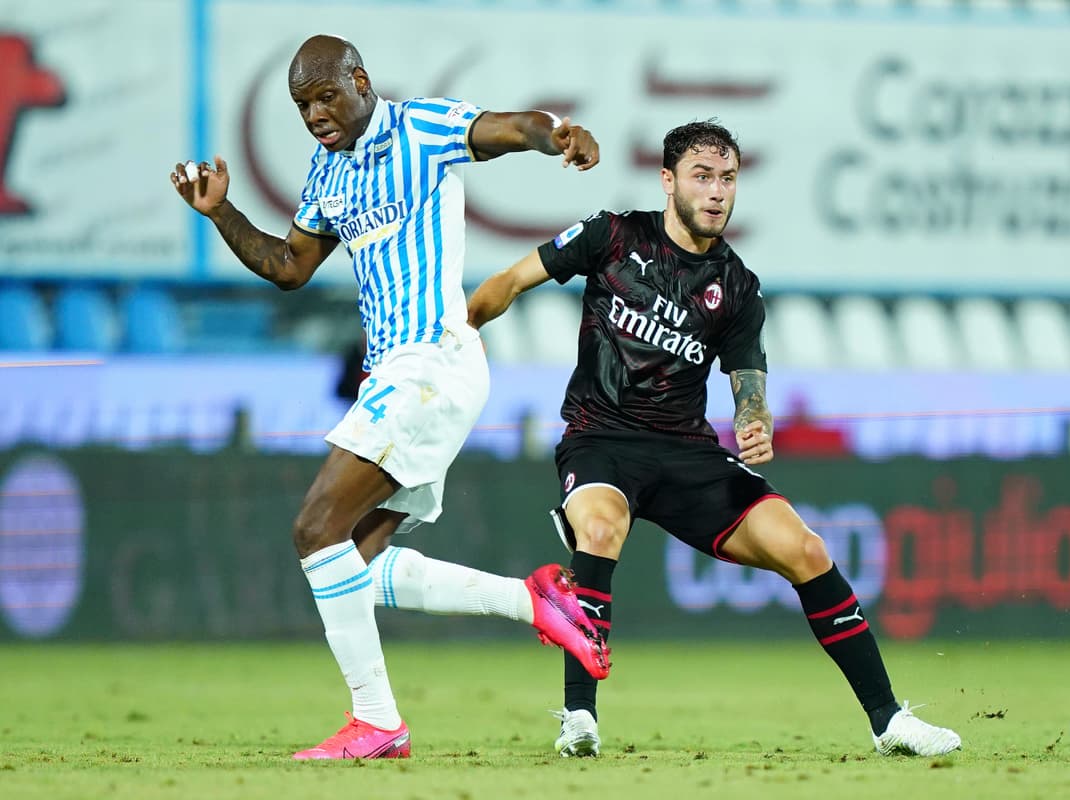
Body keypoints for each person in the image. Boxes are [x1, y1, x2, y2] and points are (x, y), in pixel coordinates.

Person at [169, 34, 609, 760]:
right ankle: (535, 601)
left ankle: (377, 721)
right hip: (401, 374)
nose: (315, 115)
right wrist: (222, 213)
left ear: (360, 80)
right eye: (302, 106)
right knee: (355, 565)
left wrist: (555, 132)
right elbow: (288, 267)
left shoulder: (420, 128)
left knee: (314, 529)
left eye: (325, 96)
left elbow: (504, 128)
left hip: (431, 360)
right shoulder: (328, 173)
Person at [467, 120, 961, 759]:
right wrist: (453, 334)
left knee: (805, 548)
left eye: (728, 179)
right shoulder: (610, 235)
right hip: (601, 438)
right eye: (702, 176)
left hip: (688, 452)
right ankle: (578, 717)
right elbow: (505, 284)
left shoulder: (736, 285)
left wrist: (755, 420)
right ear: (668, 180)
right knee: (598, 530)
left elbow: (748, 378)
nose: (718, 192)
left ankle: (889, 721)